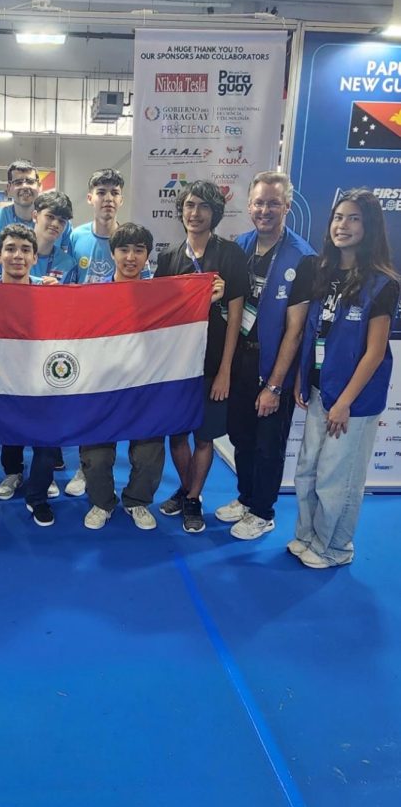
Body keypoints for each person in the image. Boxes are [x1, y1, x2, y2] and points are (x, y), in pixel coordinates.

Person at [289, 189, 399, 569]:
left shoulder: (382, 283)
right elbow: (314, 332)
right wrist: (304, 380)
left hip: (353, 400)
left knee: (339, 478)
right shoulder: (325, 273)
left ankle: (334, 547)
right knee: (307, 471)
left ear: (369, 228)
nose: (343, 225)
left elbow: (374, 351)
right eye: (338, 217)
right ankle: (307, 535)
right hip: (322, 389)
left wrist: (345, 401)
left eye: (353, 218)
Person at [215, 172, 315, 540]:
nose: (265, 210)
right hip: (241, 358)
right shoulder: (239, 246)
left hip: (274, 367)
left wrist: (275, 385)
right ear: (249, 206)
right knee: (241, 435)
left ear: (287, 207)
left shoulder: (302, 258)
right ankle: (244, 498)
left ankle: (263, 511)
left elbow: (296, 329)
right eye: (259, 202)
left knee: (267, 443)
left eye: (273, 203)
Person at [155, 180, 249, 533]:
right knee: (177, 435)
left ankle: (194, 498)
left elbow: (237, 315)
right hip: (179, 364)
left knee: (205, 436)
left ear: (215, 213)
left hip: (212, 362)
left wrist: (225, 370)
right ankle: (186, 487)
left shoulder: (230, 254)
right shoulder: (168, 258)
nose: (195, 213)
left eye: (203, 207)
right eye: (190, 205)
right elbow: (162, 316)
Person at [0, 224, 59, 531]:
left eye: (24, 250)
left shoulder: (49, 293)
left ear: (35, 258)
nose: (17, 256)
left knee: (46, 444)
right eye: (10, 249)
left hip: (37, 384)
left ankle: (38, 498)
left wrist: (57, 297)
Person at [65, 169, 148, 496]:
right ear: (90, 198)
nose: (108, 198)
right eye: (101, 192)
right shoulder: (75, 238)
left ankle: (129, 482)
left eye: (114, 192)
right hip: (86, 338)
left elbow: (149, 290)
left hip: (125, 340)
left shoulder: (131, 240)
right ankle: (84, 471)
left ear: (121, 199)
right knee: (90, 407)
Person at [80, 224, 165, 531]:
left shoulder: (160, 295)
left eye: (139, 250)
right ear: (112, 252)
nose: (131, 257)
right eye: (124, 250)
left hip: (145, 388)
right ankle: (102, 502)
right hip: (101, 387)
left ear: (147, 256)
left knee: (149, 453)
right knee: (97, 455)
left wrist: (206, 297)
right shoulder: (91, 294)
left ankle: (137, 501)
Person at [0, 191, 75, 501]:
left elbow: (76, 303)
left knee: (45, 411)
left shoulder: (66, 260)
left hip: (46, 350)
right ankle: (13, 471)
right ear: (35, 214)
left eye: (61, 220)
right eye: (49, 216)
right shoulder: (12, 248)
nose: (55, 223)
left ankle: (45, 474)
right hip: (7, 350)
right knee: (11, 409)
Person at [0, 160, 42, 235]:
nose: (24, 186)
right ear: (8, 188)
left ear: (39, 186)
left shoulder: (52, 221)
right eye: (18, 182)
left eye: (30, 181)